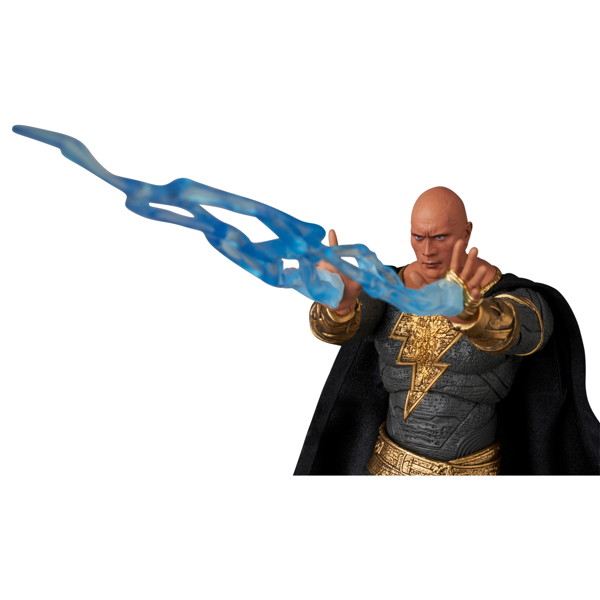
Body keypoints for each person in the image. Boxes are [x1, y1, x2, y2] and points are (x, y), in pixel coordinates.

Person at [295, 187, 599, 475]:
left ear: (466, 232)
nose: (427, 250)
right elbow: (341, 330)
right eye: (418, 237)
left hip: (474, 472)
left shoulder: (509, 295)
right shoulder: (386, 289)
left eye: (440, 237)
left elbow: (526, 328)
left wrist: (475, 316)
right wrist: (339, 306)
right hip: (387, 467)